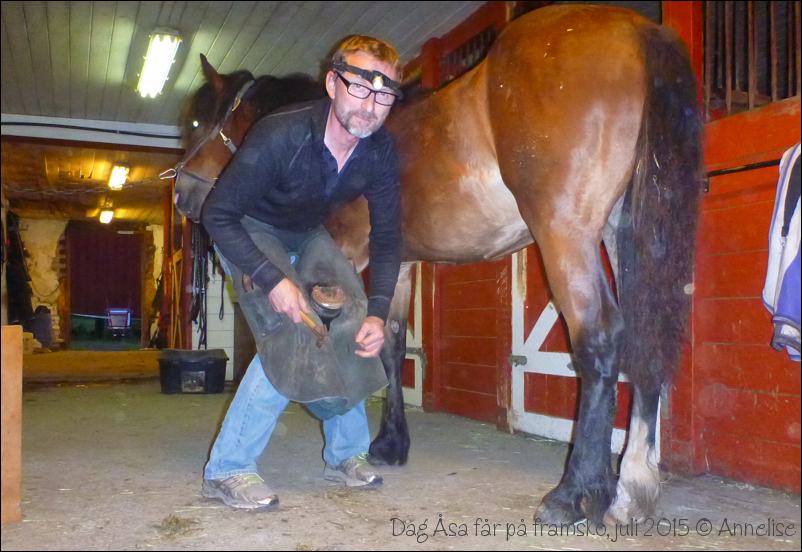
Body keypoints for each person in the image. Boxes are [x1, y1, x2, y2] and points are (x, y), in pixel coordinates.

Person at [199, 35, 403, 511]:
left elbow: (389, 237)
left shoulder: (378, 151)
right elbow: (218, 215)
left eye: (384, 94)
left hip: (305, 232)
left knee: (351, 319)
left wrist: (378, 311)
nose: (370, 105)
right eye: (359, 87)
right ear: (332, 84)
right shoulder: (282, 133)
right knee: (291, 327)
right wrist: (273, 280)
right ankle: (227, 468)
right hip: (248, 226)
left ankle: (345, 455)